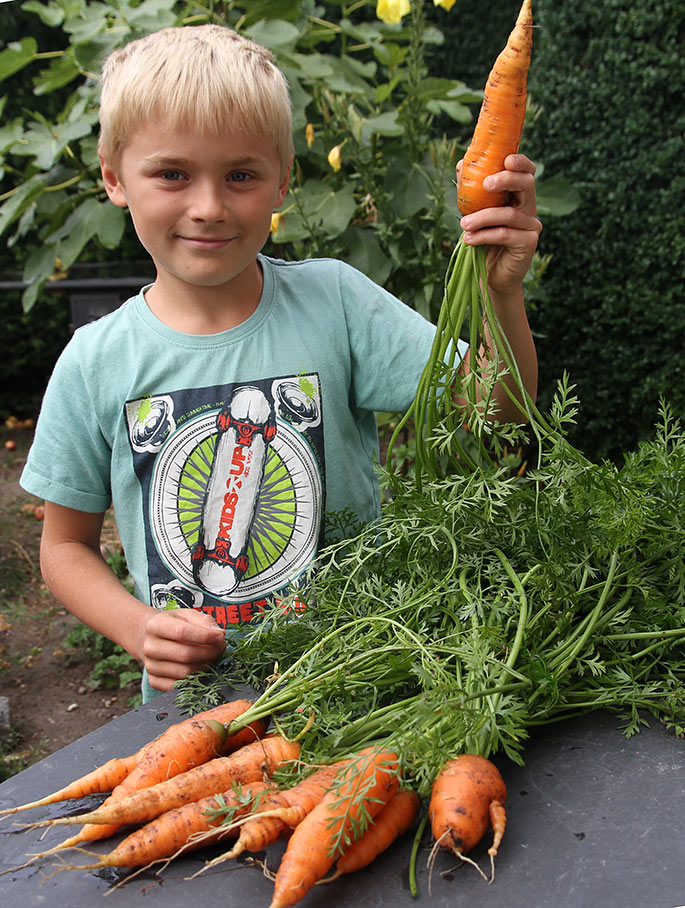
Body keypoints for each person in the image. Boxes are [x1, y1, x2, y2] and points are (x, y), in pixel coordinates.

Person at [20, 24, 541, 702]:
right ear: (115, 177)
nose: (208, 207)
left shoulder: (335, 303)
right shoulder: (95, 361)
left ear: (282, 183)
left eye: (240, 175)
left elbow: (494, 409)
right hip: (199, 720)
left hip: (361, 690)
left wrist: (501, 291)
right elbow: (63, 548)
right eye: (172, 174)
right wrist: (138, 626)